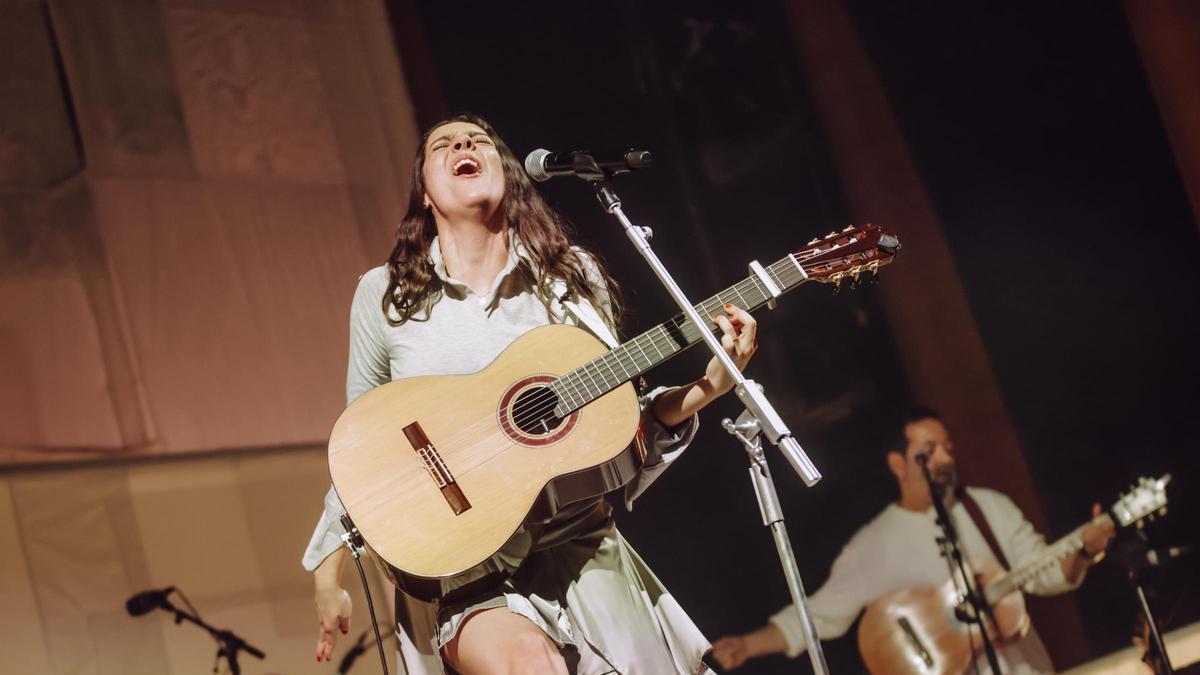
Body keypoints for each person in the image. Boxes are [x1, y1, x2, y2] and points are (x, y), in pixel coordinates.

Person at [302, 112, 759, 675]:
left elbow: (618, 425)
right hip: (463, 560)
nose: (464, 144)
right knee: (530, 666)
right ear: (424, 192)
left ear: (509, 173)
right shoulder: (386, 294)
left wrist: (707, 388)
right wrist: (328, 571)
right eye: (443, 144)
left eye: (481, 141)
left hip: (581, 541)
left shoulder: (570, 281)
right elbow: (361, 442)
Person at [711, 406, 1116, 673]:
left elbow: (1044, 573)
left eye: (948, 448)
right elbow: (820, 615)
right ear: (898, 463)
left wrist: (1085, 547)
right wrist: (746, 645)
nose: (944, 458)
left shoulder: (987, 507)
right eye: (929, 450)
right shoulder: (874, 544)